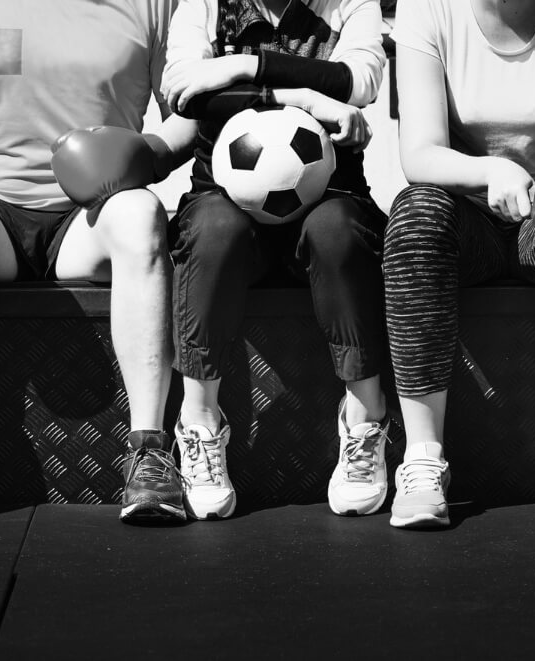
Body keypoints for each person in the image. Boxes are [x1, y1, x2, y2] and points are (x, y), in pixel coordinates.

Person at [0, 0, 197, 524]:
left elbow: (186, 114)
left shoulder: (155, 3)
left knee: (143, 213)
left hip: (93, 212)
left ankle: (149, 452)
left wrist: (143, 155)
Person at [385, 0, 535, 528]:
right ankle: (422, 459)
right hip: (466, 219)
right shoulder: (426, 7)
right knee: (415, 214)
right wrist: (491, 171)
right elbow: (419, 154)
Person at [161, 0, 389, 520]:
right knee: (213, 231)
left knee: (338, 232)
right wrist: (308, 97)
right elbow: (186, 94)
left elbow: (358, 83)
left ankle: (365, 418)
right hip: (224, 199)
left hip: (331, 196)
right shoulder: (205, 5)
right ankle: (199, 422)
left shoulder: (350, 4)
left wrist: (242, 68)